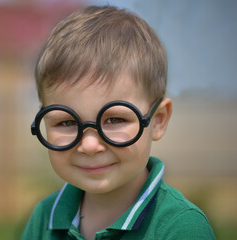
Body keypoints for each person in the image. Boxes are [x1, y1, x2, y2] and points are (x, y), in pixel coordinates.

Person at [22, 5, 215, 240]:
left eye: (114, 119)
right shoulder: (43, 219)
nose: (90, 145)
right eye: (66, 122)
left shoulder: (181, 228)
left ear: (158, 120)